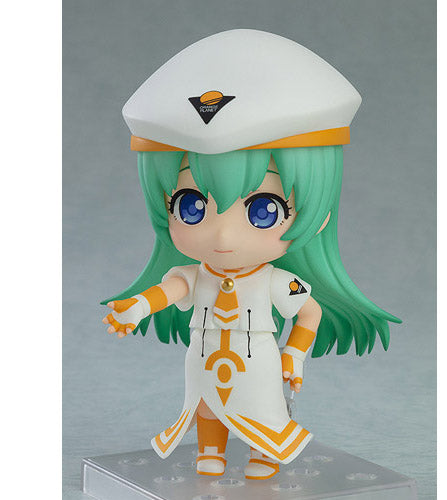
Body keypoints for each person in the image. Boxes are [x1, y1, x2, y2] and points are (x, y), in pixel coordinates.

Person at [102, 29, 401, 480]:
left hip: (258, 358)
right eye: (191, 206)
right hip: (203, 356)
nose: (223, 234)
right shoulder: (195, 274)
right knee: (205, 403)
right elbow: (170, 290)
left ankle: (265, 453)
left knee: (263, 408)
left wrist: (293, 354)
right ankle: (211, 451)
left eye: (263, 210)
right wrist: (137, 308)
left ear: (317, 215)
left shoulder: (273, 281)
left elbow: (310, 312)